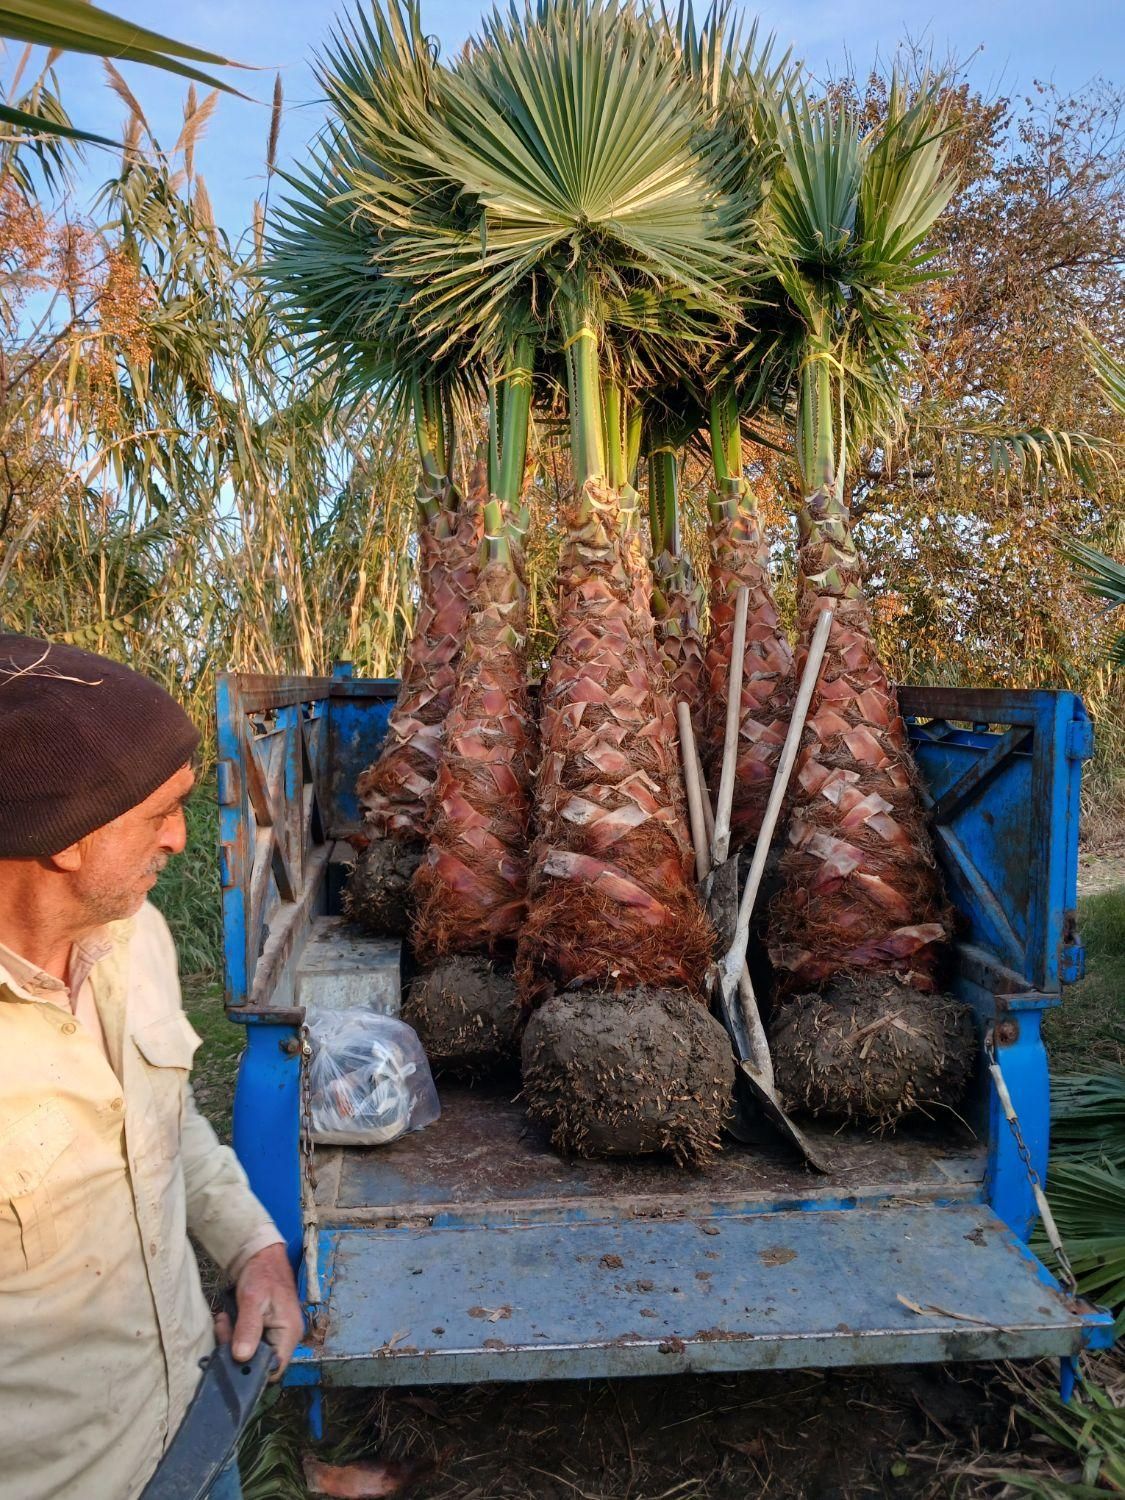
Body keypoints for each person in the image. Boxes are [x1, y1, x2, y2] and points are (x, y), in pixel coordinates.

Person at [0, 634, 306, 1500]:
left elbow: (167, 1120)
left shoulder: (134, 937)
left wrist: (253, 1249)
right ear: (65, 836)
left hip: (196, 1425)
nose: (178, 839)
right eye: (155, 814)